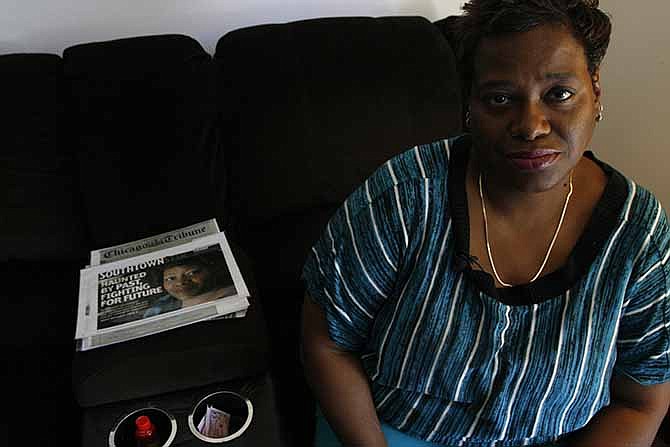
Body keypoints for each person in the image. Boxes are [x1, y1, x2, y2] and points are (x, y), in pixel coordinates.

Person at [300, 1, 670, 446]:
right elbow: (328, 342)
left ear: (595, 91)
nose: (531, 125)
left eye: (559, 94)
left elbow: (641, 401)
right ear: (470, 105)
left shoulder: (639, 235)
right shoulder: (403, 197)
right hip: (386, 429)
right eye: (500, 98)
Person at [144, 251, 234, 318]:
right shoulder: (160, 307)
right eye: (171, 278)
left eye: (192, 273)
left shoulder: (232, 294)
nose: (180, 282)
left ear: (210, 270)